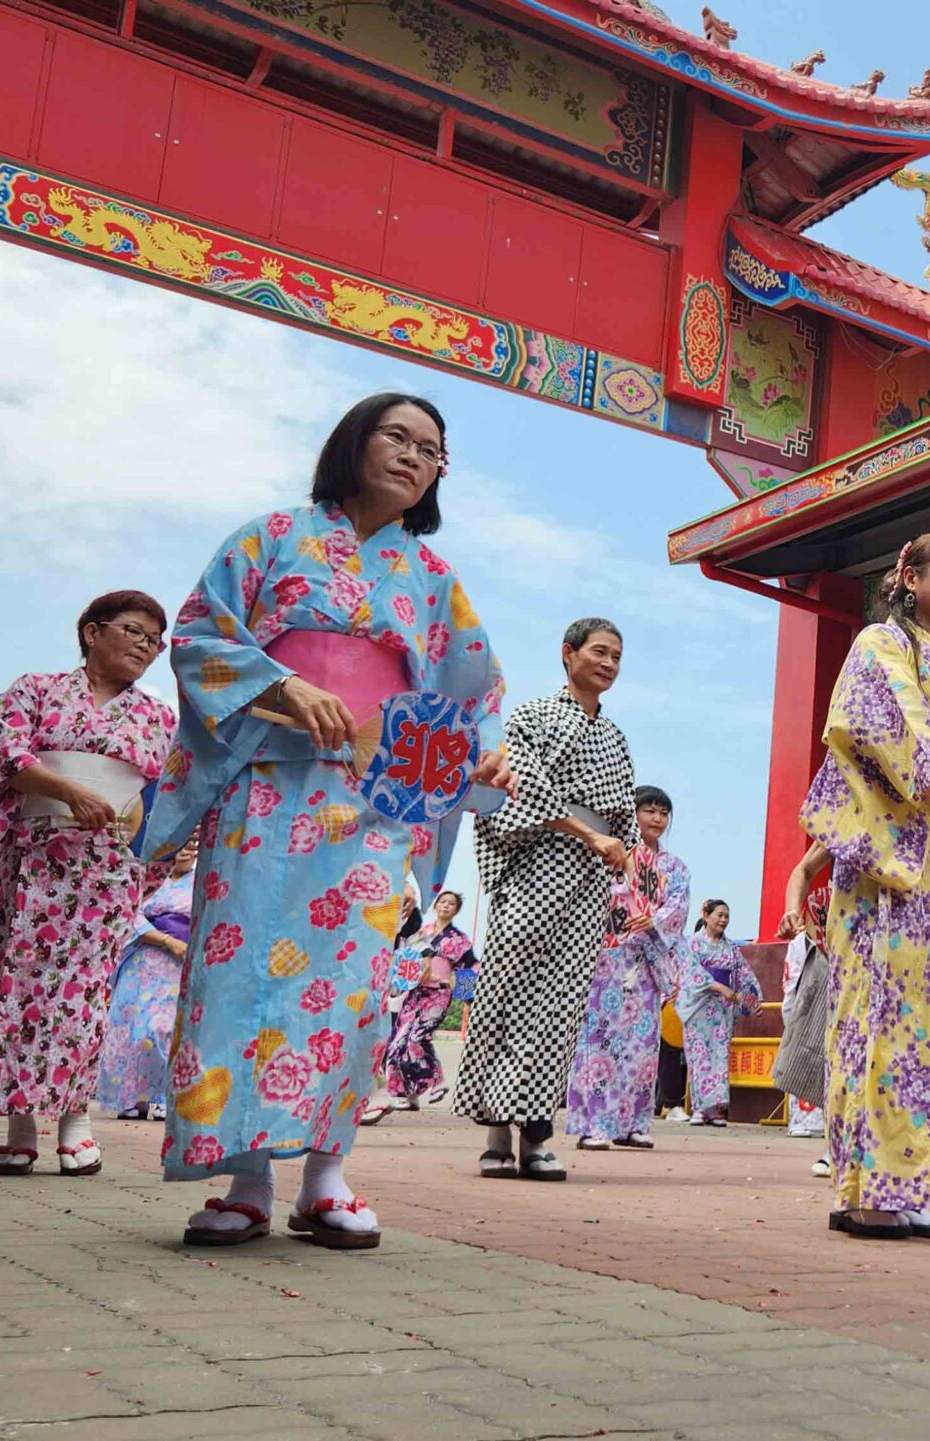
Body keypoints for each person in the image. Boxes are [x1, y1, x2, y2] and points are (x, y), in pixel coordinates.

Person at [147, 392, 509, 1251]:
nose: (415, 457)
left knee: (351, 989)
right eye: (398, 437)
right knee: (238, 978)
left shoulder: (433, 580)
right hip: (266, 791)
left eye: (432, 449)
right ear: (354, 442)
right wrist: (280, 683)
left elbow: (474, 690)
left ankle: (325, 1174)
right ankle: (244, 1179)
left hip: (375, 805)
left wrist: (487, 751)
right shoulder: (269, 538)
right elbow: (198, 635)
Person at [803, 531, 930, 1241]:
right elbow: (890, 726)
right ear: (908, 577)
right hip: (886, 862)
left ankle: (911, 1181)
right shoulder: (881, 645)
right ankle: (864, 1188)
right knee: (878, 1016)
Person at [0, 593, 180, 1176]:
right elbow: (2, 757)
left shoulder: (157, 716)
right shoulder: (34, 690)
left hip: (108, 868)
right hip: (33, 859)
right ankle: (20, 1126)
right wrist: (67, 790)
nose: (144, 645)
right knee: (18, 988)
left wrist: (144, 861)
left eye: (154, 640)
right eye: (133, 630)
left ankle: (76, 1120)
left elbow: (168, 795)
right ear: (91, 632)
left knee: (85, 992)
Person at [455, 617, 637, 1184]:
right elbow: (522, 788)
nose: (608, 664)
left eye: (617, 657)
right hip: (537, 862)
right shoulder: (533, 715)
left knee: (560, 1001)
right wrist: (590, 835)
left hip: (587, 879)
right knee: (508, 989)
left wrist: (617, 847)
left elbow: (624, 811)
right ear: (569, 653)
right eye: (600, 652)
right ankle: (496, 1130)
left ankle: (536, 1134)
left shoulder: (615, 736)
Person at [566, 785, 688, 1149]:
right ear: (633, 813)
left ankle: (634, 1124)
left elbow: (678, 906)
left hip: (648, 963)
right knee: (601, 1042)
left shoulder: (674, 867)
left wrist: (656, 919)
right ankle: (595, 1125)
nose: (656, 819)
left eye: (663, 813)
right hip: (610, 959)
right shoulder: (616, 853)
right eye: (648, 810)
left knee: (643, 1046)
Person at [94, 841, 199, 1121]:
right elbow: (128, 913)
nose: (187, 850)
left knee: (166, 1027)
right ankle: (133, 1097)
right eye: (182, 845)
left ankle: (167, 1095)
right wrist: (165, 940)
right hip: (144, 955)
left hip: (181, 960)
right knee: (132, 1028)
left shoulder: (203, 880)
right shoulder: (148, 877)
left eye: (194, 846)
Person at [366, 889, 473, 1123]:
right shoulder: (419, 933)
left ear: (456, 910)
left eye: (451, 904)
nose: (446, 906)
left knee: (417, 1038)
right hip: (413, 993)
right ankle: (405, 1094)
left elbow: (468, 966)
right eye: (442, 902)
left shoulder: (459, 940)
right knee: (396, 1044)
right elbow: (403, 957)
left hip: (438, 994)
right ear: (435, 905)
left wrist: (469, 999)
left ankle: (437, 1080)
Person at [775, 842, 833, 1171]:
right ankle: (837, 1147)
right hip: (845, 965)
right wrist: (791, 909)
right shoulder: (847, 817)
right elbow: (803, 869)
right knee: (841, 1057)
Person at [677, 900, 760, 1126]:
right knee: (699, 1056)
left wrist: (752, 1000)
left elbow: (744, 974)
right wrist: (718, 986)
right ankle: (699, 1108)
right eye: (719, 915)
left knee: (719, 1056)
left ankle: (716, 1109)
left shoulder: (731, 948)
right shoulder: (693, 944)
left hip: (722, 1010)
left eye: (726, 916)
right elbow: (690, 972)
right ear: (706, 915)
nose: (723, 920)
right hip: (700, 1007)